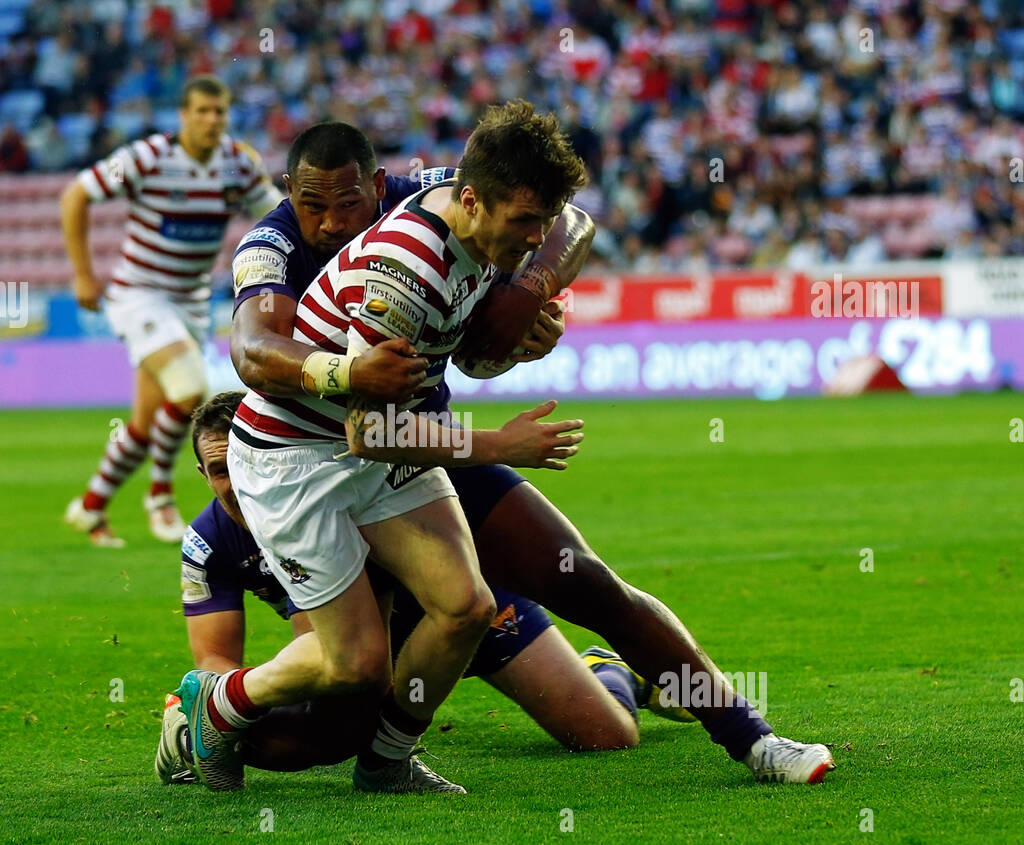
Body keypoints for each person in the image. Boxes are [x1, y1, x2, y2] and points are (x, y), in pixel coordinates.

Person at [222, 116, 838, 788]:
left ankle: (751, 737)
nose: (334, 225)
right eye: (314, 207)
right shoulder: (295, 253)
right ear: (290, 192)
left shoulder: (445, 194)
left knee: (586, 626)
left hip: (419, 447)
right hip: (316, 457)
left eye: (348, 205)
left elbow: (571, 222)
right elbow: (261, 358)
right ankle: (206, 714)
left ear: (376, 186)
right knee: (340, 704)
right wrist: (484, 432)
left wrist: (526, 292)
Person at [176, 102, 591, 795]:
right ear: (473, 202)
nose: (537, 237)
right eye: (526, 223)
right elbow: (366, 430)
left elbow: (461, 355)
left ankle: (386, 761)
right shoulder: (405, 265)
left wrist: (515, 340)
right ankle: (214, 703)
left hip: (376, 438)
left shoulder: (476, 228)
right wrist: (499, 444)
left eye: (541, 222)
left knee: (466, 606)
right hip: (296, 457)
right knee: (356, 665)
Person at [156, 391, 691, 784]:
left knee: (606, 736)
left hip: (460, 605)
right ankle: (383, 752)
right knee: (298, 729)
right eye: (220, 470)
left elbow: (317, 646)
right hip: (372, 639)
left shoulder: (308, 499)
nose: (236, 483)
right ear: (203, 474)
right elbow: (214, 661)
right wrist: (216, 710)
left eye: (241, 464)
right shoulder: (207, 543)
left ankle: (611, 670)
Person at [62, 75, 282, 547]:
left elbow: (276, 213)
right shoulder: (148, 158)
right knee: (189, 389)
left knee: (145, 421)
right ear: (183, 115)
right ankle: (160, 496)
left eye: (219, 112)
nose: (211, 120)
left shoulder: (236, 167)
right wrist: (83, 273)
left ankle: (91, 506)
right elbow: (76, 194)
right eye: (201, 111)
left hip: (190, 304)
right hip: (139, 294)